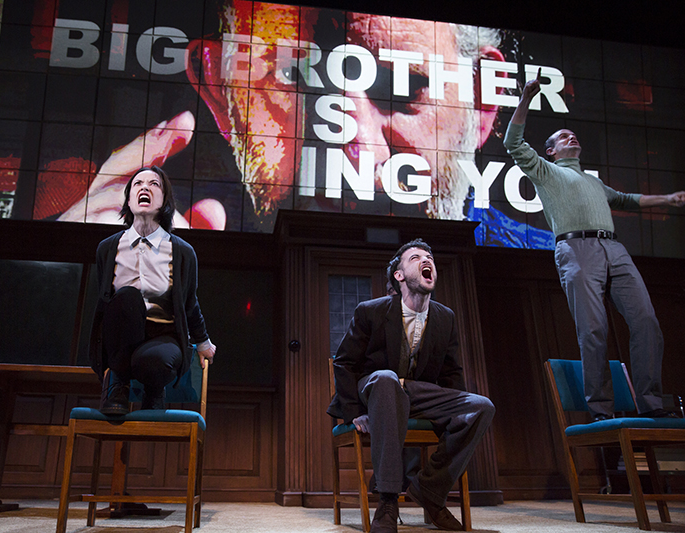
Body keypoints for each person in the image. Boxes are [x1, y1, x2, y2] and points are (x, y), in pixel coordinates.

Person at [59, 3, 543, 245]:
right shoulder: (167, 254)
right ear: (219, 91)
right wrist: (82, 266)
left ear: (481, 105)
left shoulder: (565, 277)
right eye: (293, 77)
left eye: (402, 88)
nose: (360, 153)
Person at [505, 71, 685, 421]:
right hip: (577, 250)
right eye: (562, 136)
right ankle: (601, 409)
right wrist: (526, 96)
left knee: (647, 321)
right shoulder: (545, 171)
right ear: (551, 151)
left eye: (572, 134)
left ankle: (651, 402)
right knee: (593, 329)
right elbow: (513, 142)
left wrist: (669, 198)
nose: (571, 136)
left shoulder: (593, 182)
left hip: (613, 250)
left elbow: (626, 200)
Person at [327, 239, 494, 532]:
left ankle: (429, 490)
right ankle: (388, 500)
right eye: (415, 257)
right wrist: (354, 412)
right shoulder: (372, 311)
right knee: (387, 378)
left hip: (417, 394)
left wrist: (449, 416)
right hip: (375, 389)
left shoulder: (445, 317)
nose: (426, 259)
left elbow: (451, 374)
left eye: (429, 257)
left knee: (481, 406)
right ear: (399, 275)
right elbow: (344, 363)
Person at [89, 165, 216, 416]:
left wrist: (202, 342)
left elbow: (189, 303)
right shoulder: (108, 249)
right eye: (138, 184)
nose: (145, 187)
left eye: (154, 184)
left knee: (155, 362)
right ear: (128, 199)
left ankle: (154, 389)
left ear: (165, 200)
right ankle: (117, 384)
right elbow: (106, 303)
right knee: (126, 297)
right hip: (121, 337)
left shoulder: (182, 252)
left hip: (163, 336)